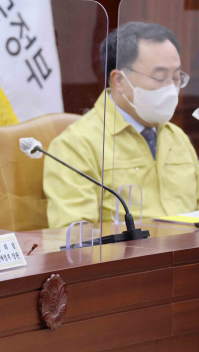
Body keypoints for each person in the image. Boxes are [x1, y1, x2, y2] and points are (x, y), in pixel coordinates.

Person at [44, 22, 199, 228]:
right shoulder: (75, 145)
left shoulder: (177, 137)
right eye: (160, 77)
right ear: (119, 80)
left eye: (176, 77)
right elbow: (75, 237)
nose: (171, 88)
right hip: (129, 257)